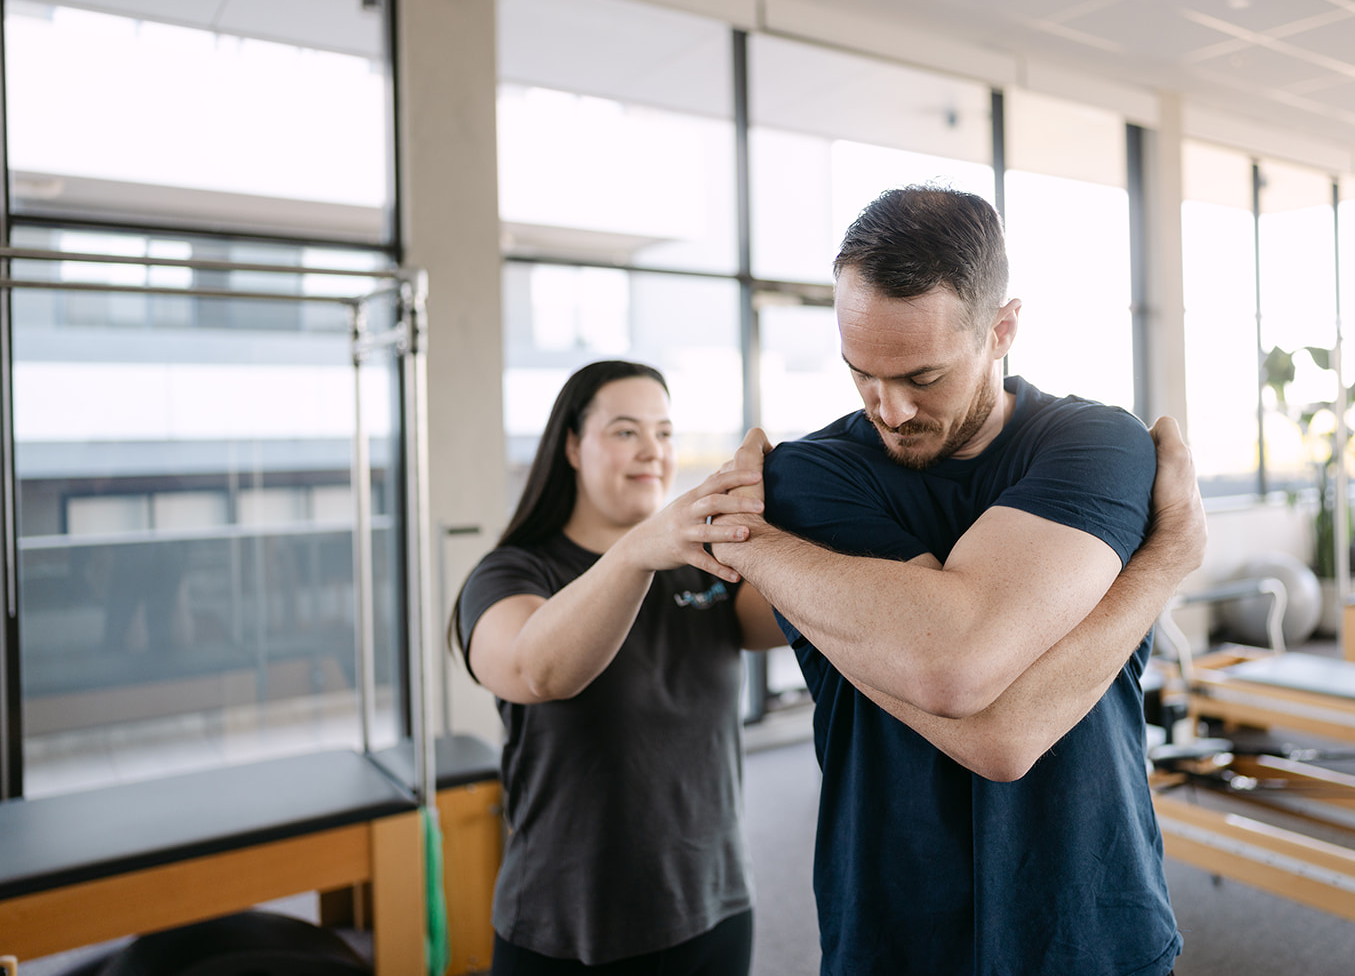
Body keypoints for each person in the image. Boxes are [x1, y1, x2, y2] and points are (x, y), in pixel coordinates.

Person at [708, 186, 1208, 975]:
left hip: (1093, 923)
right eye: (861, 373)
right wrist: (1162, 564)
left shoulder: (1096, 445)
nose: (890, 408)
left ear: (1001, 329)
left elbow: (964, 681)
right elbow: (982, 710)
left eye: (923, 375)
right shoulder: (810, 474)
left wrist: (768, 554)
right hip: (893, 934)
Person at [452, 359, 787, 976]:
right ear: (572, 446)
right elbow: (535, 671)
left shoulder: (698, 564)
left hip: (713, 908)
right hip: (567, 928)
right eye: (626, 431)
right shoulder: (512, 572)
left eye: (664, 432)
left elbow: (799, 618)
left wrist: (795, 502)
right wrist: (639, 549)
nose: (652, 450)